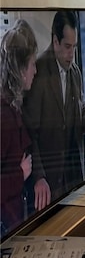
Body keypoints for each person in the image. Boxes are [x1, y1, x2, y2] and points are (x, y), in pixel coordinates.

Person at [23, 10, 85, 210]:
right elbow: (30, 132)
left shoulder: (75, 73)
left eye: (74, 47)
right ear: (55, 41)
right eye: (67, 47)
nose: (71, 54)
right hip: (48, 182)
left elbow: (79, 113)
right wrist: (39, 177)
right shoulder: (37, 72)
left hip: (73, 177)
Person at [1, 19, 38, 237]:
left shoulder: (13, 107)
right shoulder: (3, 115)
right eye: (32, 63)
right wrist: (20, 174)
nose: (36, 70)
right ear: (21, 69)